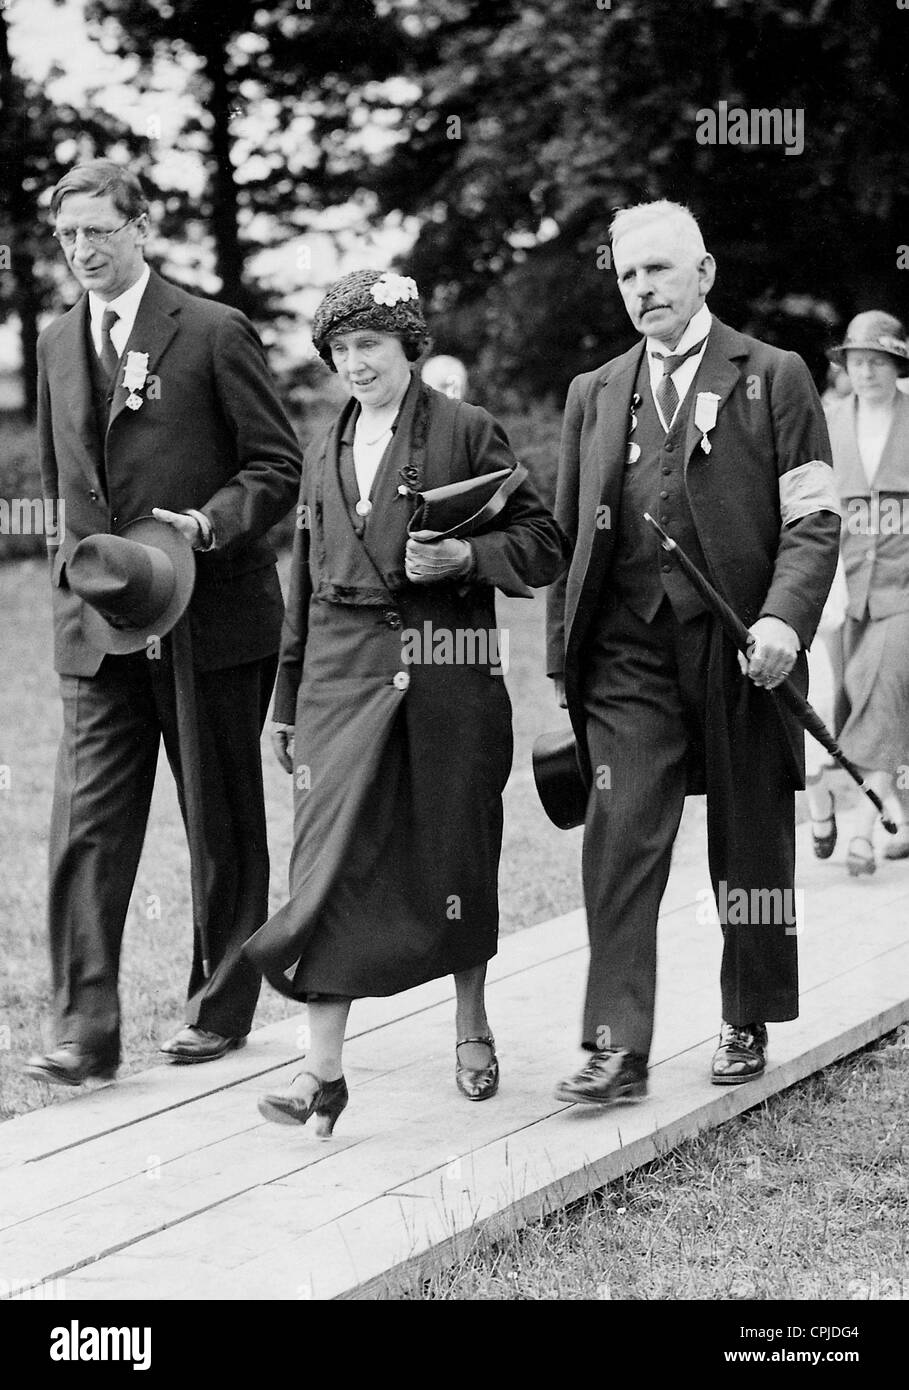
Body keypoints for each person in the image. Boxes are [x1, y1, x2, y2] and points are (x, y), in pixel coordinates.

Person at [245, 269, 566, 1135]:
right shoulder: (321, 447)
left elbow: (543, 543)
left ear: (409, 348)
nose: (355, 364)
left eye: (370, 347)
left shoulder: (466, 431)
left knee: (455, 851)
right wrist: (285, 701)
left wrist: (466, 562)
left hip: (448, 678)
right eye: (341, 350)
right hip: (339, 683)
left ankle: (470, 1024)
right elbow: (303, 583)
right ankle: (321, 1072)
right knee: (326, 861)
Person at [546, 200, 841, 1105]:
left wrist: (784, 624)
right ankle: (616, 1047)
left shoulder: (776, 375)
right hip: (626, 653)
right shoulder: (592, 393)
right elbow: (565, 538)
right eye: (629, 275)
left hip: (741, 645)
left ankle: (744, 1014)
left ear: (702, 274)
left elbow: (815, 520)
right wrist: (563, 664)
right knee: (620, 835)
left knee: (748, 841)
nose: (643, 290)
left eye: (660, 271)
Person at [25, 159, 302, 1087]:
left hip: (213, 618)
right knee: (86, 829)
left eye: (100, 230)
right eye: (69, 237)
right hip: (98, 627)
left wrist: (209, 525)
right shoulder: (58, 343)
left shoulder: (214, 331)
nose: (83, 250)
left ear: (142, 227)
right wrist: (80, 574)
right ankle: (82, 1033)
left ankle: (219, 1007)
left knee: (219, 822)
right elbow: (63, 481)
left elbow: (276, 468)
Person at [825, 311, 909, 874]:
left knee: (874, 688)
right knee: (855, 699)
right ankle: (895, 814)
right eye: (858, 362)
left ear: (897, 366)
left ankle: (859, 830)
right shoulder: (828, 422)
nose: (867, 372)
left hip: (905, 592)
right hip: (846, 591)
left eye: (878, 362)